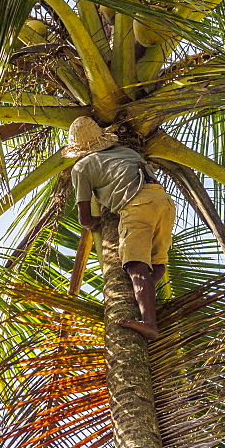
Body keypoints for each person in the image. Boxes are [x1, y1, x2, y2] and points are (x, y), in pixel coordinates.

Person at [65, 116, 176, 342]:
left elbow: (85, 217)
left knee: (136, 264)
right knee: (158, 263)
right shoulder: (129, 152)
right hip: (163, 200)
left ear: (78, 149)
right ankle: (143, 292)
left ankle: (149, 323)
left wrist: (94, 222)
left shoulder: (81, 167)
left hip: (136, 205)